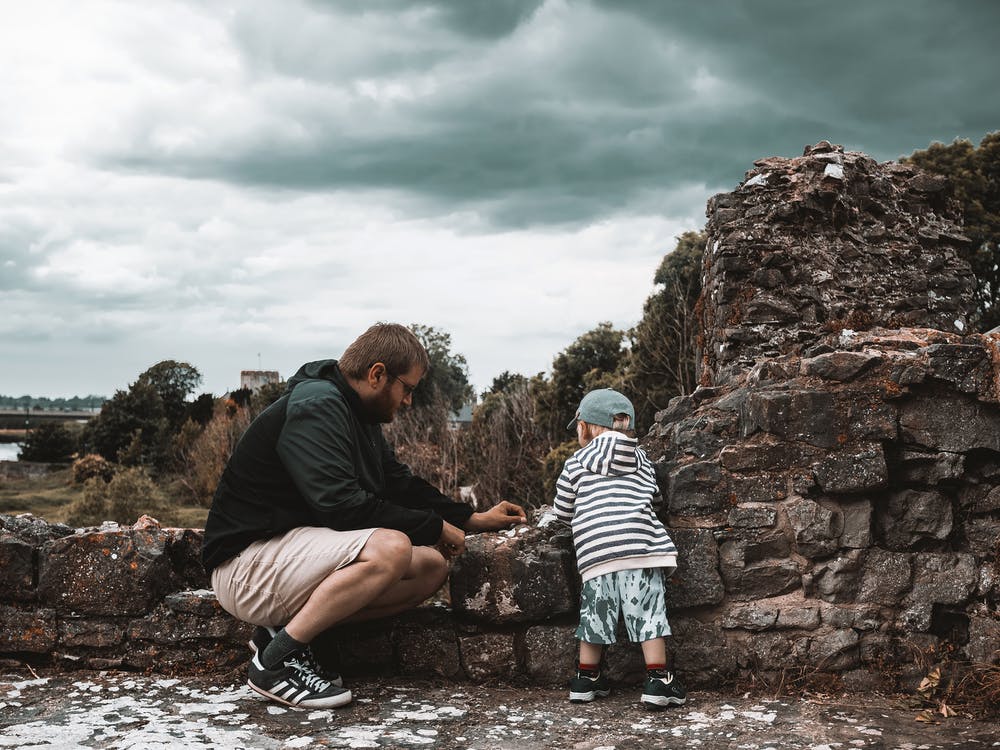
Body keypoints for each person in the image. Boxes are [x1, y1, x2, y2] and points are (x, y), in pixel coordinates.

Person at [202, 323, 526, 709]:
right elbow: (342, 506)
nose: (407, 401)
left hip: (284, 559)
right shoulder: (318, 406)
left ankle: (283, 635)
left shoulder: (356, 415)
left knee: (430, 567)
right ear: (377, 374)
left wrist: (470, 518)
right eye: (407, 388)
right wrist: (434, 526)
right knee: (391, 548)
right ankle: (274, 662)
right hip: (244, 566)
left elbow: (396, 482)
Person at [551, 388, 685, 709]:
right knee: (648, 613)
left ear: (585, 427)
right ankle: (657, 681)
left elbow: (562, 510)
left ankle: (586, 678)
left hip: (596, 554)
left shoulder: (576, 463)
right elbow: (653, 499)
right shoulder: (642, 461)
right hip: (640, 547)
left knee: (595, 615)